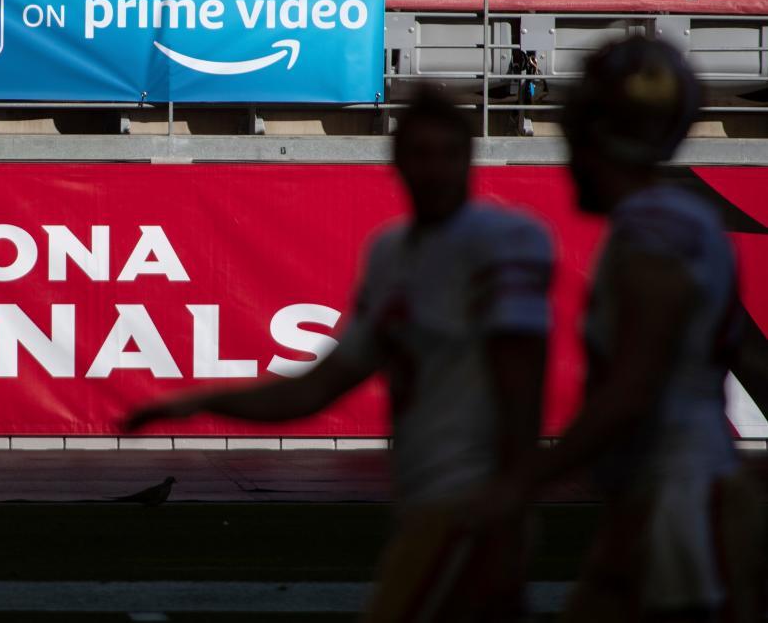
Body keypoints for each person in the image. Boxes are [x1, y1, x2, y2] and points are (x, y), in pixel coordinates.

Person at [125, 87, 555, 622]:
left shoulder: (502, 239)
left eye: (448, 154)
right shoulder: (392, 251)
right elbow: (317, 387)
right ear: (397, 161)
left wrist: (510, 490)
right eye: (421, 154)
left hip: (472, 501)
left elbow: (521, 368)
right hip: (423, 498)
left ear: (468, 158)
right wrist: (199, 404)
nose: (434, 170)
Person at [476, 36, 763, 622]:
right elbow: (749, 354)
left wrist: (522, 480)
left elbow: (630, 392)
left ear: (599, 137)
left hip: (672, 498)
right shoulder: (689, 224)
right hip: (672, 491)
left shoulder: (649, 239)